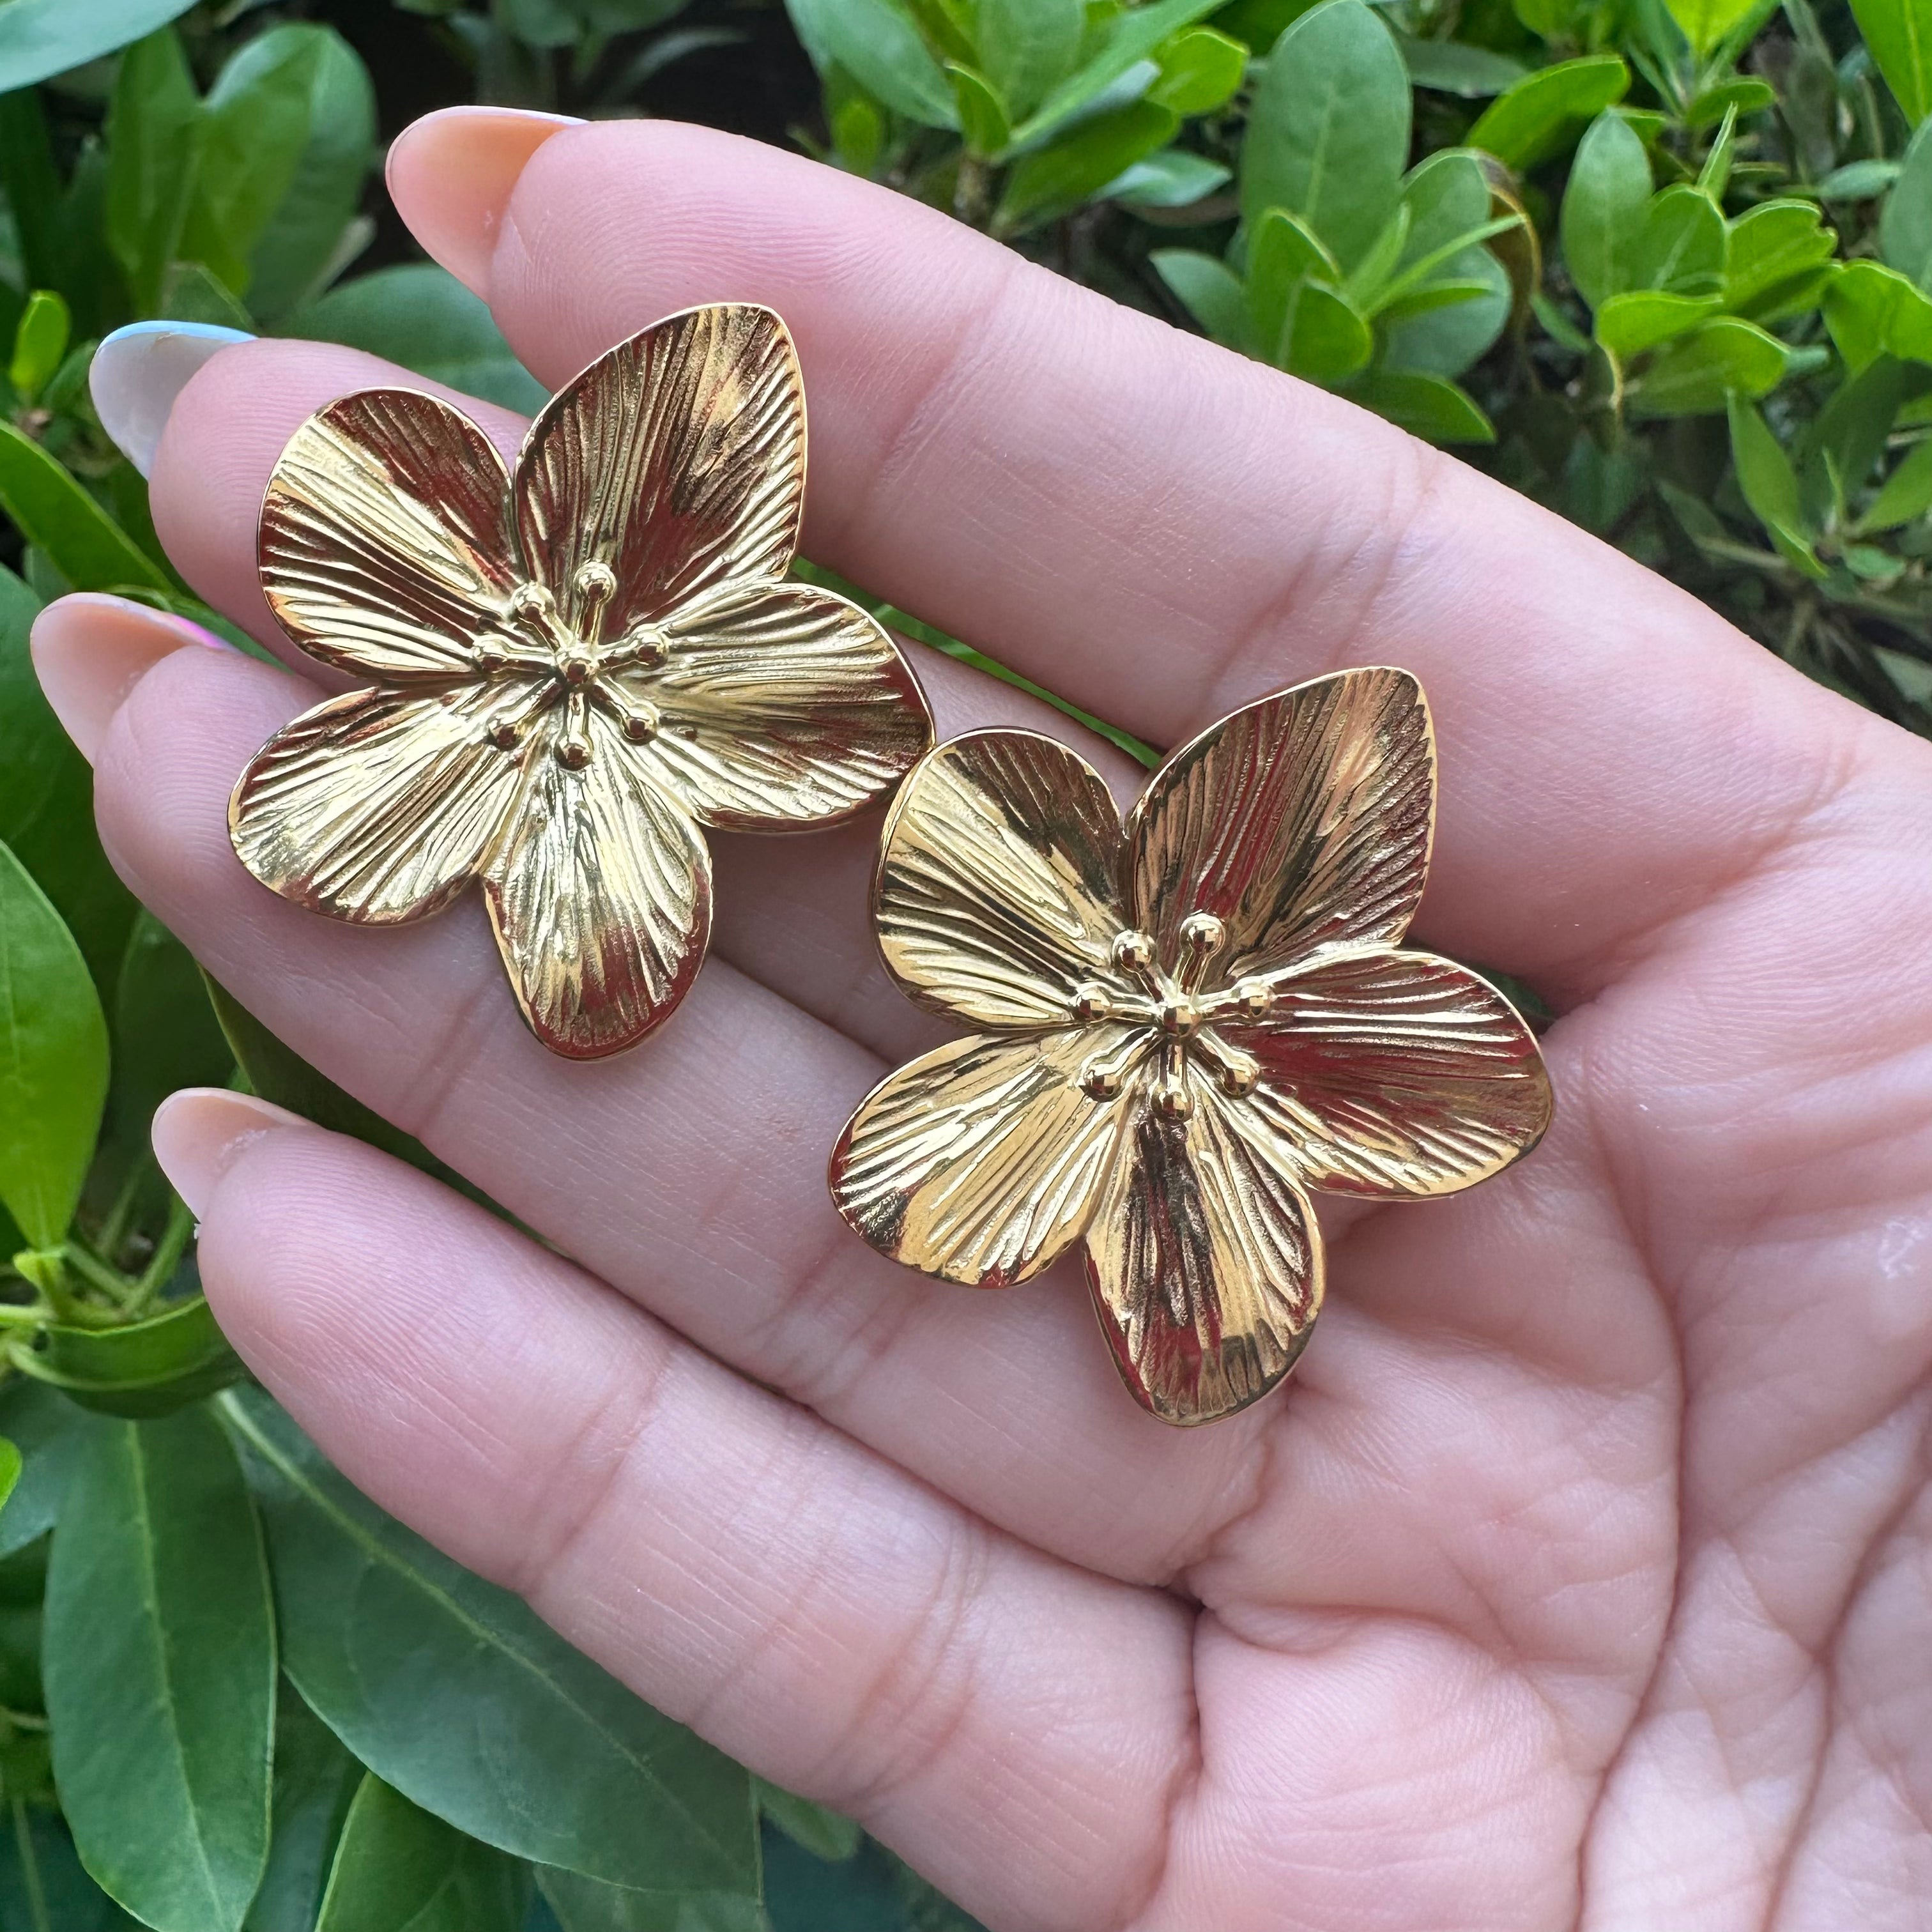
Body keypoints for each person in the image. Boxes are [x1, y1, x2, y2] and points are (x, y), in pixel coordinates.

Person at [30, 109, 1932, 1932]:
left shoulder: (1253, 966)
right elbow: (364, 773)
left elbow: (905, 759)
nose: (577, 651)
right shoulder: (739, 742)